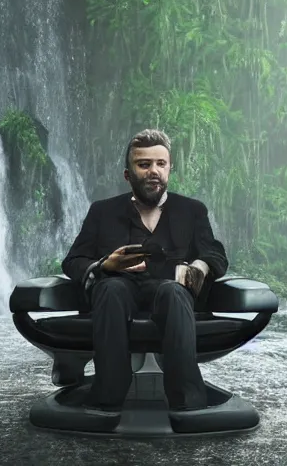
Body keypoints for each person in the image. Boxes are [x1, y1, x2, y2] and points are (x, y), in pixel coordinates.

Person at [61, 128, 228, 417]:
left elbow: (215, 254)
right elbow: (73, 260)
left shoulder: (193, 210)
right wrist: (104, 266)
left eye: (160, 164)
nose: (154, 171)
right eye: (144, 164)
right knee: (111, 288)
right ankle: (107, 398)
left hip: (169, 290)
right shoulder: (101, 211)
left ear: (169, 169)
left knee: (174, 292)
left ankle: (188, 402)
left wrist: (199, 267)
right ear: (128, 174)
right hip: (117, 291)